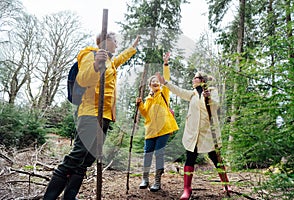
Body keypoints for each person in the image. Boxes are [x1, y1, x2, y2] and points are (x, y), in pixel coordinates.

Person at [43, 32, 140, 200]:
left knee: (88, 158)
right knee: (77, 155)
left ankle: (69, 197)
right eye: (115, 41)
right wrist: (96, 65)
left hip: (105, 115)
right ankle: (49, 197)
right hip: (90, 113)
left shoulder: (109, 61)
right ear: (106, 41)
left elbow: (120, 59)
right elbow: (83, 79)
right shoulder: (90, 54)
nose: (117, 45)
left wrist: (133, 47)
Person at [156, 70, 231, 200]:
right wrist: (166, 83)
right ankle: (187, 189)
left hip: (208, 133)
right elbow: (178, 91)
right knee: (190, 157)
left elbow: (216, 105)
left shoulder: (212, 91)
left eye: (195, 78)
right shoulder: (192, 94)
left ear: (201, 80)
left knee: (216, 158)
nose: (192, 80)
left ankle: (226, 184)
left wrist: (209, 98)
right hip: (193, 133)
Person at [136, 52, 179, 192]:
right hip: (150, 130)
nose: (155, 82)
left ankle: (157, 181)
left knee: (159, 153)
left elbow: (166, 78)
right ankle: (145, 179)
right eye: (152, 81)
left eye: (156, 81)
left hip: (164, 129)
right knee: (147, 153)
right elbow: (145, 115)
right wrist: (140, 106)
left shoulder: (164, 92)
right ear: (149, 85)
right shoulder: (148, 99)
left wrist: (165, 63)